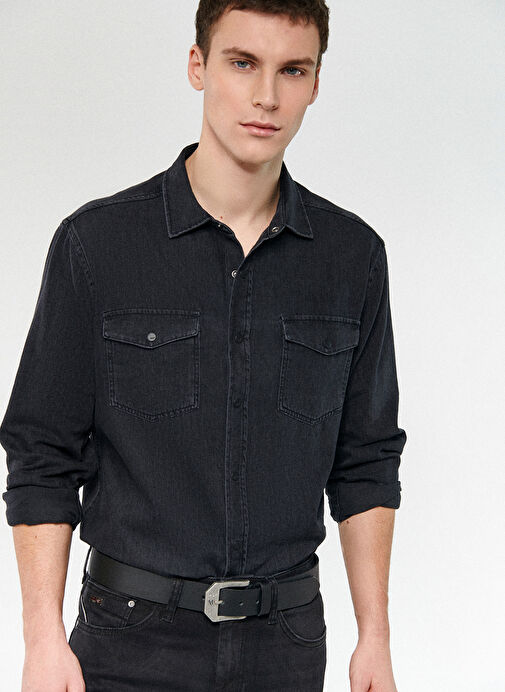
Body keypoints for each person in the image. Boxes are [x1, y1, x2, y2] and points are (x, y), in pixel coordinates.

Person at [0, 1, 407, 690]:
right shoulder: (97, 246)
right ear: (198, 66)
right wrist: (42, 639)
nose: (266, 96)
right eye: (242, 63)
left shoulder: (352, 258)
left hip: (286, 643)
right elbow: (41, 452)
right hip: (130, 643)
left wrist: (375, 638)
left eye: (292, 70)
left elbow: (366, 460)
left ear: (316, 83)